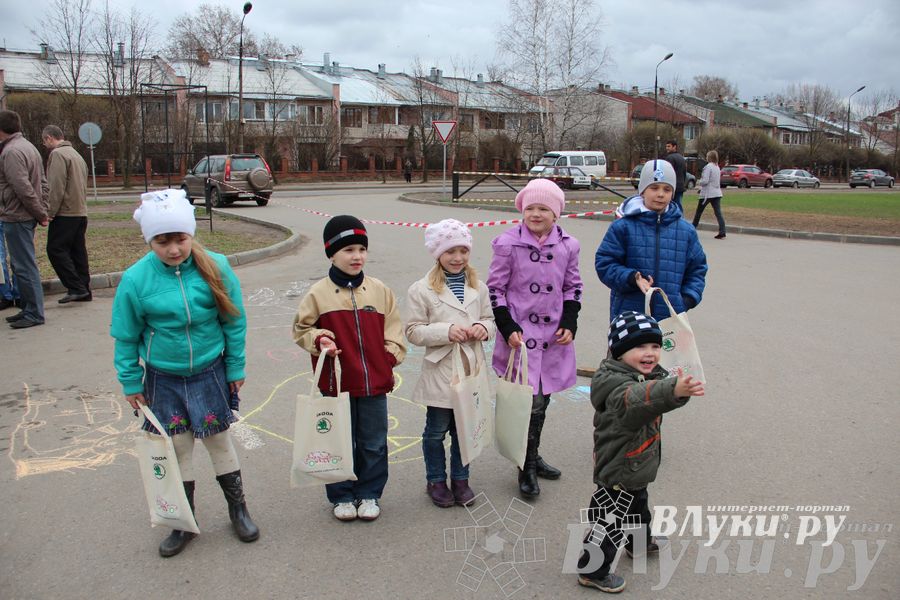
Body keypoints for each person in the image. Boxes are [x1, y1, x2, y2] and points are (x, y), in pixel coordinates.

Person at [110, 189, 259, 557]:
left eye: (180, 239)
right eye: (163, 242)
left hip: (210, 370)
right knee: (177, 448)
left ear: (191, 234)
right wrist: (131, 381)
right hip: (164, 378)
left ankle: (237, 509)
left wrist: (235, 366)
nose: (174, 249)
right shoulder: (135, 280)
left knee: (219, 441)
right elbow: (125, 337)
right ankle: (184, 521)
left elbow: (234, 322)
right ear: (150, 241)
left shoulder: (217, 267)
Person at [576, 311, 704, 593]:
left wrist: (676, 386)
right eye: (639, 347)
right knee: (608, 521)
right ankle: (591, 570)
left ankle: (638, 542)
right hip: (620, 468)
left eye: (655, 347)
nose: (649, 354)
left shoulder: (641, 374)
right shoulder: (617, 386)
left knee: (638, 508)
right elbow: (639, 400)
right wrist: (673, 389)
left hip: (636, 464)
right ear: (619, 352)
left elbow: (655, 393)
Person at [293, 215, 406, 522]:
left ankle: (369, 493)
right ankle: (341, 495)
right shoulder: (318, 293)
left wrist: (388, 359)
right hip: (336, 384)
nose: (357, 256)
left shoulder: (380, 290)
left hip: (374, 385)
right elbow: (302, 329)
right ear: (331, 253)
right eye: (348, 250)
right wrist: (320, 339)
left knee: (373, 442)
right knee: (337, 441)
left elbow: (395, 331)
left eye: (361, 249)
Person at [487, 178, 583, 498]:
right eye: (530, 208)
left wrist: (570, 320)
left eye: (543, 208)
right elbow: (495, 288)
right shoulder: (506, 243)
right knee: (530, 403)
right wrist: (505, 324)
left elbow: (573, 286)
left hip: (553, 337)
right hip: (520, 337)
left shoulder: (568, 245)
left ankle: (533, 454)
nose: (536, 214)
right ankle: (525, 464)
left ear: (556, 213)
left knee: (544, 399)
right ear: (522, 210)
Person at [405, 219, 495, 508]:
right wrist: (445, 331)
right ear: (437, 254)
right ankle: (435, 480)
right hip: (442, 370)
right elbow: (413, 331)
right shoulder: (421, 289)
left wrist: (483, 329)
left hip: (470, 368)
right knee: (436, 430)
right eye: (450, 252)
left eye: (463, 251)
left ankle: (460, 479)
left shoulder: (478, 287)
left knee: (465, 428)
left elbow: (489, 320)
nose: (458, 258)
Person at [595, 159, 707, 323]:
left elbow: (697, 270)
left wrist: (687, 299)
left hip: (669, 319)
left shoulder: (686, 231)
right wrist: (631, 278)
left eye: (667, 189)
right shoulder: (623, 227)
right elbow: (604, 263)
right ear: (642, 191)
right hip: (629, 317)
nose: (660, 194)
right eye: (654, 188)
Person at [0, 110, 49, 329]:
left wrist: (40, 213)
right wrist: (42, 211)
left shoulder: (11, 152)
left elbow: (23, 187)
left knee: (24, 265)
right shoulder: (28, 146)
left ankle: (34, 313)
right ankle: (28, 309)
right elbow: (43, 184)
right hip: (22, 214)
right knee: (21, 265)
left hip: (17, 215)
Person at [42, 125, 92, 303]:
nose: (45, 145)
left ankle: (75, 287)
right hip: (80, 211)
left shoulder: (58, 154)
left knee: (55, 249)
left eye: (44, 141)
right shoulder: (76, 155)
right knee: (78, 251)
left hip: (66, 212)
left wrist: (49, 212)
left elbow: (56, 186)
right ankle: (84, 289)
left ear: (49, 138)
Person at [692, 150, 726, 239]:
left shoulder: (708, 167)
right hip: (716, 193)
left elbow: (705, 181)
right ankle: (722, 231)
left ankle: (692, 229)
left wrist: (700, 182)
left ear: (709, 157)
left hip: (707, 194)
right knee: (718, 213)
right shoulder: (717, 167)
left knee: (698, 212)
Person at [663, 140, 687, 215]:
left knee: (670, 206)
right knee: (678, 205)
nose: (667, 148)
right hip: (680, 186)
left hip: (672, 186)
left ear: (674, 147)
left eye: (669, 146)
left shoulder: (670, 158)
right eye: (666, 146)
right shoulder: (681, 158)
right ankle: (681, 221)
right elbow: (684, 173)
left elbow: (667, 173)